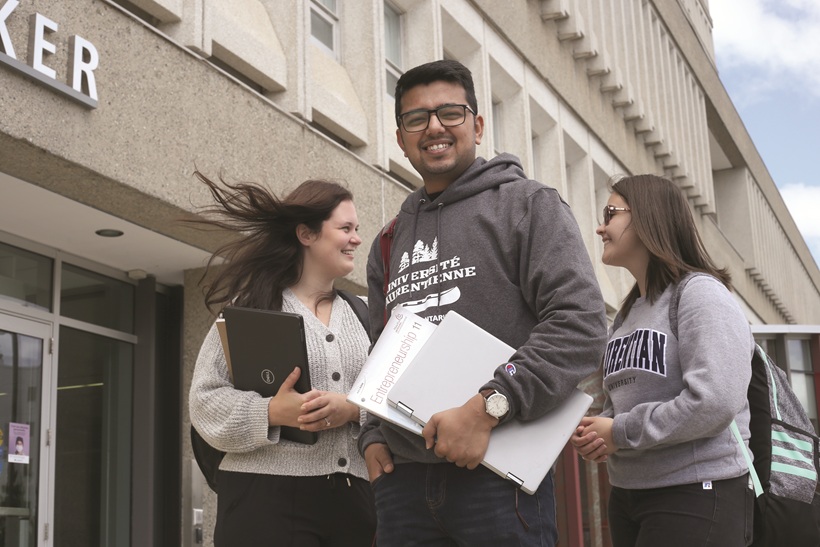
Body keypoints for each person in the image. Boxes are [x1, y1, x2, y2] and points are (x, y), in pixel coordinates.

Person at [359, 59, 607, 546]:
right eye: (417, 118)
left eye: (450, 113)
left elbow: (580, 326)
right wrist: (369, 435)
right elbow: (377, 353)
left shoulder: (529, 205)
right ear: (400, 136)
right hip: (401, 485)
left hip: (498, 479)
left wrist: (485, 409)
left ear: (476, 124)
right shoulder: (388, 241)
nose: (434, 126)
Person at [188, 173, 376, 546]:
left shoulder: (367, 315)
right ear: (306, 234)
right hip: (264, 499)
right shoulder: (250, 309)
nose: (356, 239)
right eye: (345, 228)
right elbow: (204, 402)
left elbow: (401, 398)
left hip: (357, 500)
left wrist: (353, 409)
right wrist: (272, 412)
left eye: (357, 229)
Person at [570, 174, 755, 546]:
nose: (600, 227)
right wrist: (600, 430)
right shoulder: (627, 316)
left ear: (648, 218)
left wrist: (619, 432)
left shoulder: (701, 295)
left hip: (697, 492)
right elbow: (621, 402)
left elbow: (714, 401)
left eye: (611, 213)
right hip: (629, 494)